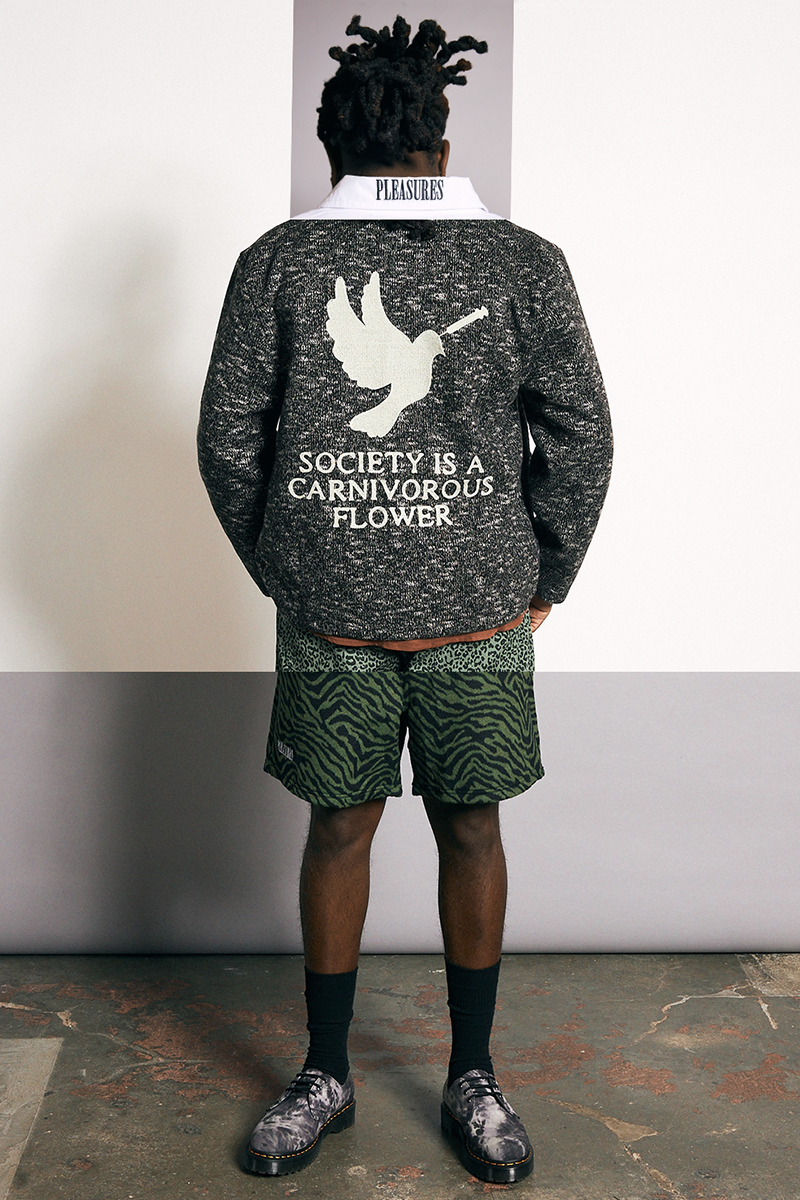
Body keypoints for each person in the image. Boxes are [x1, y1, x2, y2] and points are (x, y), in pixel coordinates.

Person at [198, 13, 612, 1185]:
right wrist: (544, 571)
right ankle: (456, 1075)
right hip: (457, 607)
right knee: (471, 826)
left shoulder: (278, 260)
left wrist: (282, 560)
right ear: (439, 140)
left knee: (338, 828)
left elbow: (228, 438)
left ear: (329, 146)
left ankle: (336, 1070)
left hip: (395, 609)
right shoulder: (521, 262)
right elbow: (581, 437)